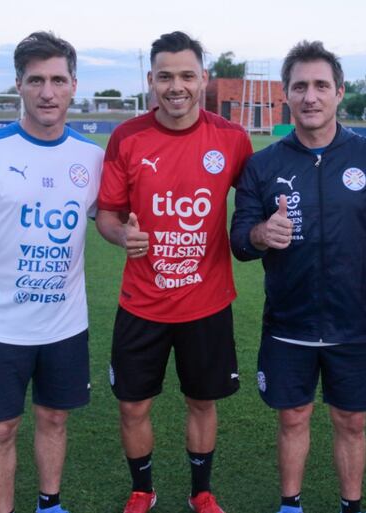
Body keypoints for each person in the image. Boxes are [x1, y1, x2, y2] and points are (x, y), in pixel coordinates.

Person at [230, 40, 366, 513]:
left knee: (351, 421)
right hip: (288, 321)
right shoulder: (264, 163)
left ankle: (350, 506)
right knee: (293, 417)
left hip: (354, 321)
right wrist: (260, 233)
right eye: (300, 87)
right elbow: (238, 242)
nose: (310, 96)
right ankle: (290, 505)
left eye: (320, 86)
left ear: (339, 92)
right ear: (286, 95)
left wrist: (355, 218)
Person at [0, 31, 103, 513]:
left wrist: (125, 234)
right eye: (35, 80)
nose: (47, 92)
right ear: (18, 85)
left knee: (53, 419)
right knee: (1, 428)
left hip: (65, 323)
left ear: (73, 85)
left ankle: (49, 504)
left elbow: (106, 219)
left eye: (57, 80)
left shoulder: (91, 158)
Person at [95, 31, 253, 513]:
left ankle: (200, 491)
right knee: (132, 405)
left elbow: (251, 209)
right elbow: (107, 215)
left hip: (206, 303)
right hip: (141, 302)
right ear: (151, 80)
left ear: (204, 79)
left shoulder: (231, 139)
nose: (176, 85)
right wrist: (123, 236)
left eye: (187, 75)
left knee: (202, 402)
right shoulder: (128, 136)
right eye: (165, 76)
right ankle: (142, 490)